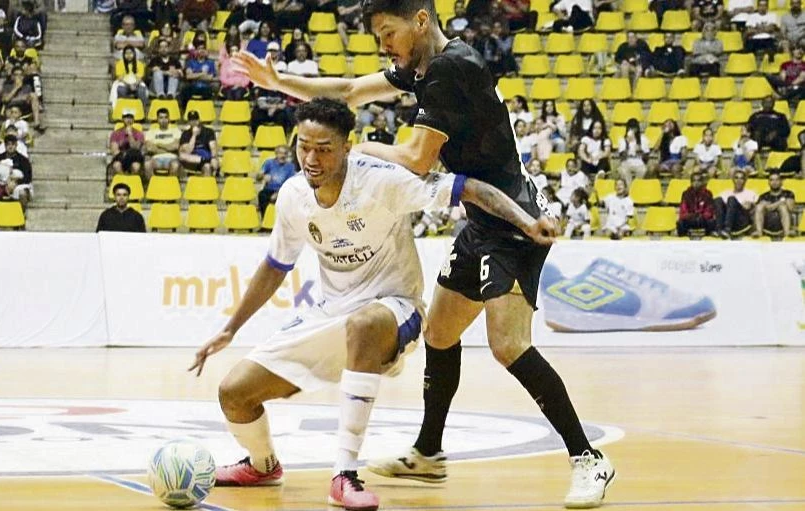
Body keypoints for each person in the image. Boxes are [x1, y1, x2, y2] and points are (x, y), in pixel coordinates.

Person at [234, 0, 614, 506]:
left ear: (419, 20)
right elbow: (348, 91)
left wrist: (364, 148)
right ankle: (429, 454)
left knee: (508, 346)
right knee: (439, 331)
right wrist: (278, 81)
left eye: (388, 32)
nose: (383, 45)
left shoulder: (450, 70)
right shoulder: (421, 67)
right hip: (481, 221)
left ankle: (587, 457)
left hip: (514, 221)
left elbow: (415, 159)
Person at [192, 97, 558, 510]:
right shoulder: (294, 195)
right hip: (330, 314)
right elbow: (275, 266)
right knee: (234, 394)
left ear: (348, 147)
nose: (311, 158)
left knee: (364, 325)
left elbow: (468, 188)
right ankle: (263, 465)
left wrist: (526, 220)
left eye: (324, 149)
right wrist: (230, 329)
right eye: (303, 146)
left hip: (394, 307)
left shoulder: (382, 182)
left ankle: (344, 474)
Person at [714, 169, 757, 238]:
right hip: (726, 219)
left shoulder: (750, 193)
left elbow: (751, 209)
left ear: (745, 181)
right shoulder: (725, 193)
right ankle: (719, 229)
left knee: (731, 199)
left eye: (741, 178)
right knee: (718, 200)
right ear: (733, 180)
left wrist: (749, 205)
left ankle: (727, 229)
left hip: (741, 221)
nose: (739, 181)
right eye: (736, 178)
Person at [753, 169, 795, 237]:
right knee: (759, 206)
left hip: (782, 224)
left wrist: (773, 205)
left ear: (781, 182)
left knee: (783, 207)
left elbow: (791, 208)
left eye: (777, 180)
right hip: (767, 224)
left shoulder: (788, 193)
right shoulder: (763, 196)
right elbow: (759, 210)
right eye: (771, 180)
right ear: (768, 182)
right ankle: (759, 232)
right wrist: (781, 202)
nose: (774, 182)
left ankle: (787, 233)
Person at [256, 144, 296, 213]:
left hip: (283, 191)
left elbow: (290, 184)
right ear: (276, 154)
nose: (283, 156)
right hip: (269, 190)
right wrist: (262, 176)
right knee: (262, 195)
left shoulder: (290, 167)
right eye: (280, 153)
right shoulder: (268, 163)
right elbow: (258, 178)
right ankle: (265, 218)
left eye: (285, 153)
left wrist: (278, 193)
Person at [178, 110, 220, 176]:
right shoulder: (185, 134)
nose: (194, 122)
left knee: (207, 166)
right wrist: (194, 135)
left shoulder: (209, 132)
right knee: (182, 156)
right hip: (191, 161)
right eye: (191, 120)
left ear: (199, 120)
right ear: (189, 122)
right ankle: (204, 160)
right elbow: (188, 151)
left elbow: (213, 149)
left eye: (195, 119)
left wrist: (213, 158)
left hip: (205, 158)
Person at [145, 107, 182, 178]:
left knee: (175, 165)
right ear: (157, 119)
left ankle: (170, 186)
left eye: (166, 117)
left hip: (172, 159)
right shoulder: (151, 132)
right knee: (147, 164)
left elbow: (175, 146)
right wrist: (168, 149)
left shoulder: (176, 131)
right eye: (161, 118)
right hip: (156, 159)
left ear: (169, 119)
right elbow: (150, 148)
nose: (164, 120)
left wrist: (159, 145)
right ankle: (153, 186)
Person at [677, 171, 715, 236]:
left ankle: (708, 241)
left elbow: (709, 211)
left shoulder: (708, 193)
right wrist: (693, 216)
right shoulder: (686, 193)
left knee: (711, 222)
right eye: (694, 181)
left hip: (702, 219)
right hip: (690, 219)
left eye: (698, 181)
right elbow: (683, 211)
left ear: (702, 182)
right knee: (680, 223)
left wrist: (701, 216)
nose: (696, 183)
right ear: (691, 183)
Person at [616, 118, 649, 183]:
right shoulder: (622, 140)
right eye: (630, 128)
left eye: (634, 128)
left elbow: (646, 159)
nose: (633, 130)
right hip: (626, 163)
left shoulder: (643, 139)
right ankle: (629, 189)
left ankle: (636, 186)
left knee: (643, 170)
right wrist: (627, 144)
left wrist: (640, 151)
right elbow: (622, 158)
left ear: (637, 128)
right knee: (623, 171)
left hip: (639, 162)